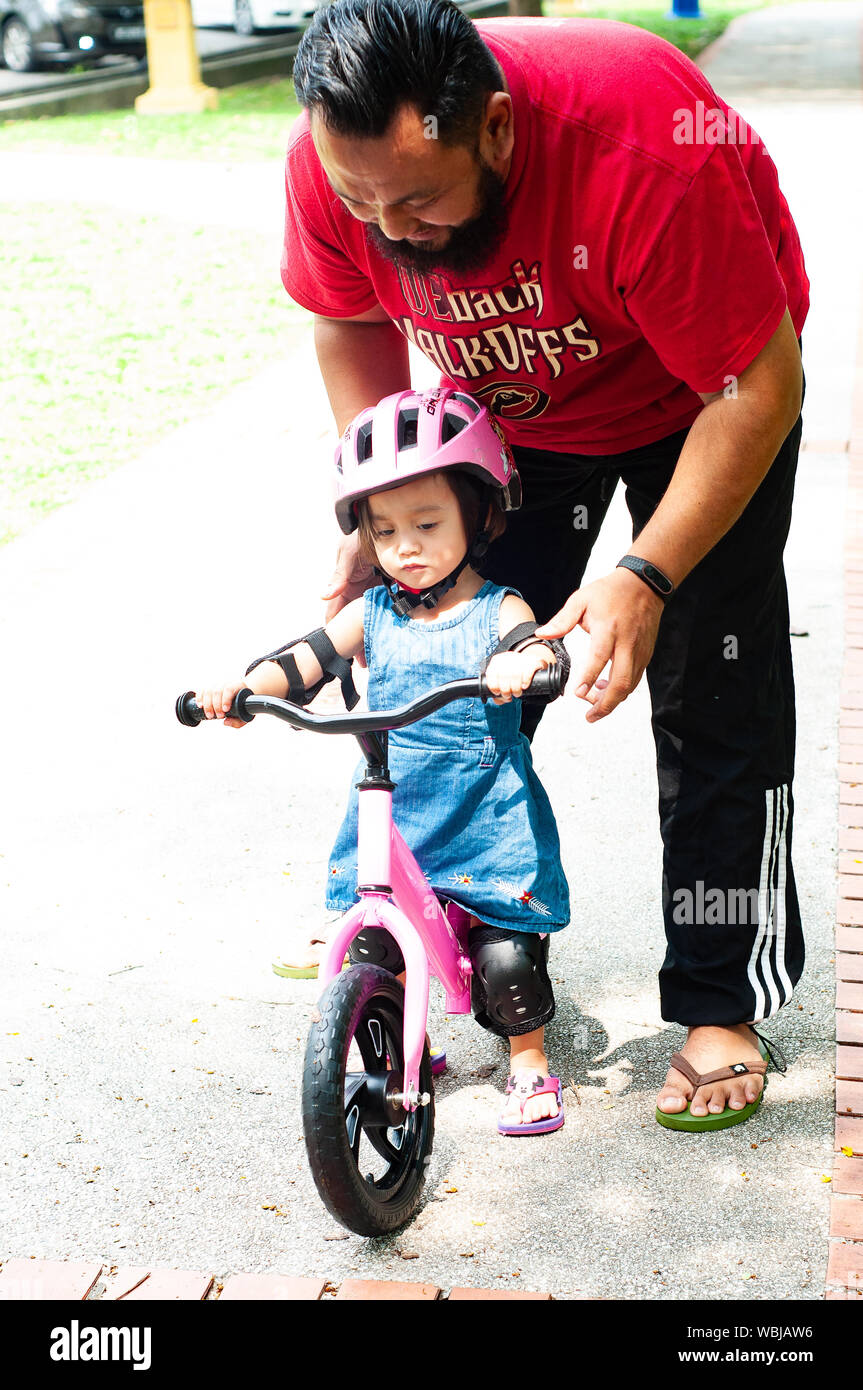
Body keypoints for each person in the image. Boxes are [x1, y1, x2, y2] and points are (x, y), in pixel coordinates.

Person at [280, 0, 808, 1131]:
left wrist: (645, 575)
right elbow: (346, 322)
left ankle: (720, 997)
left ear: (500, 133)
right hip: (510, 424)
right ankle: (428, 928)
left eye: (418, 200)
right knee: (443, 679)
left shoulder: (644, 148)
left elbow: (757, 388)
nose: (391, 229)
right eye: (363, 204)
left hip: (700, 402)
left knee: (712, 687)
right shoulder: (339, 161)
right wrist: (386, 499)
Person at [195, 386, 571, 1133]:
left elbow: (533, 645)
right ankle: (405, 1041)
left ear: (482, 514)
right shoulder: (370, 614)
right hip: (395, 810)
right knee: (374, 942)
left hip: (486, 819)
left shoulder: (499, 608)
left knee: (505, 965)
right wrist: (243, 688)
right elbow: (305, 657)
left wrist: (524, 665)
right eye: (385, 529)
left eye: (428, 524)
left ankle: (528, 1064)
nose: (406, 545)